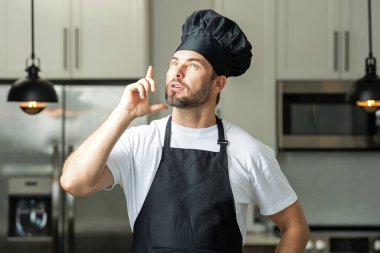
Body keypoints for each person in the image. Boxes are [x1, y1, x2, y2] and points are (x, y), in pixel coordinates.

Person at [60, 9, 309, 253]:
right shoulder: (141, 142)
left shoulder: (247, 151)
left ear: (218, 83)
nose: (177, 73)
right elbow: (74, 183)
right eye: (174, 63)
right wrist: (122, 114)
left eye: (192, 66)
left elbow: (296, 227)